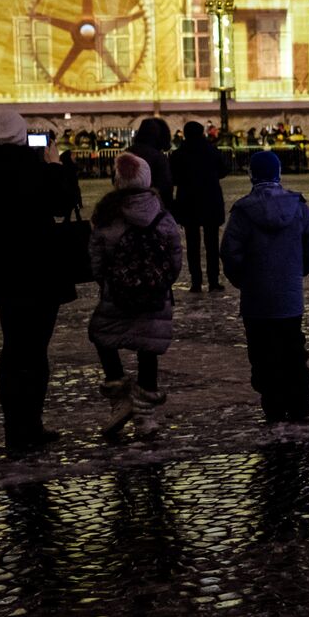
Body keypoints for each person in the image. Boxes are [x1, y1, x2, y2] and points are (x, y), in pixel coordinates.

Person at [0, 111, 81, 452]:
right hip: (40, 264)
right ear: (21, 134)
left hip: (6, 263)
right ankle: (31, 423)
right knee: (35, 350)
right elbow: (64, 203)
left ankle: (14, 428)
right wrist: (56, 165)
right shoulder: (32, 167)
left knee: (13, 346)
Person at [221, 151, 309, 422]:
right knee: (293, 351)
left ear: (252, 175)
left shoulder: (243, 211)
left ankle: (274, 404)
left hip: (256, 299)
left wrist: (243, 280)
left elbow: (230, 253)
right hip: (289, 297)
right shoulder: (299, 206)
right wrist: (295, 273)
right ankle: (299, 404)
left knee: (263, 353)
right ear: (278, 174)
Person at [88, 153, 183, 440]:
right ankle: (146, 417)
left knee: (102, 337)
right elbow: (175, 256)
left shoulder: (107, 217)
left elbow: (96, 258)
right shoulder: (162, 215)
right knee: (148, 351)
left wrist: (108, 282)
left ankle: (119, 397)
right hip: (155, 295)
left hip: (116, 293)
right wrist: (162, 282)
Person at [170, 121, 228, 293]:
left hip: (188, 201)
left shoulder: (179, 153)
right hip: (210, 200)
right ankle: (213, 280)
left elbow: (173, 178)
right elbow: (224, 171)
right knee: (212, 243)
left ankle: (196, 282)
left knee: (192, 243)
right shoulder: (211, 150)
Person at [128, 117, 173, 214]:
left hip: (129, 205)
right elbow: (165, 185)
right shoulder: (158, 156)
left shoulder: (127, 153)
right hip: (154, 207)